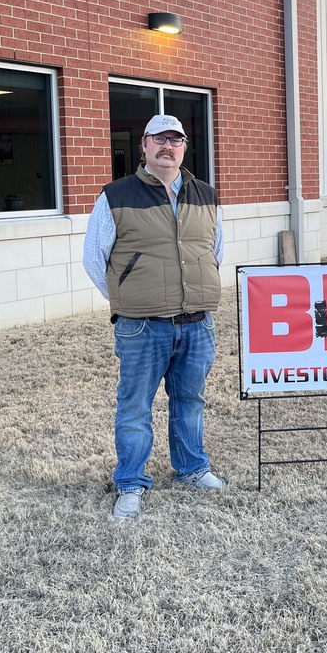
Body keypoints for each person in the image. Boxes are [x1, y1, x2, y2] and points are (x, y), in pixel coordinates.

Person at [83, 114, 227, 519]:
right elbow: (94, 259)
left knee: (190, 401)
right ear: (144, 145)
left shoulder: (206, 195)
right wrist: (129, 297)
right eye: (159, 139)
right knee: (134, 406)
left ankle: (192, 469)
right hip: (142, 326)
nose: (168, 147)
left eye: (175, 140)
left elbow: (214, 251)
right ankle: (130, 481)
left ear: (184, 147)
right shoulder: (115, 195)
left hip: (197, 324)